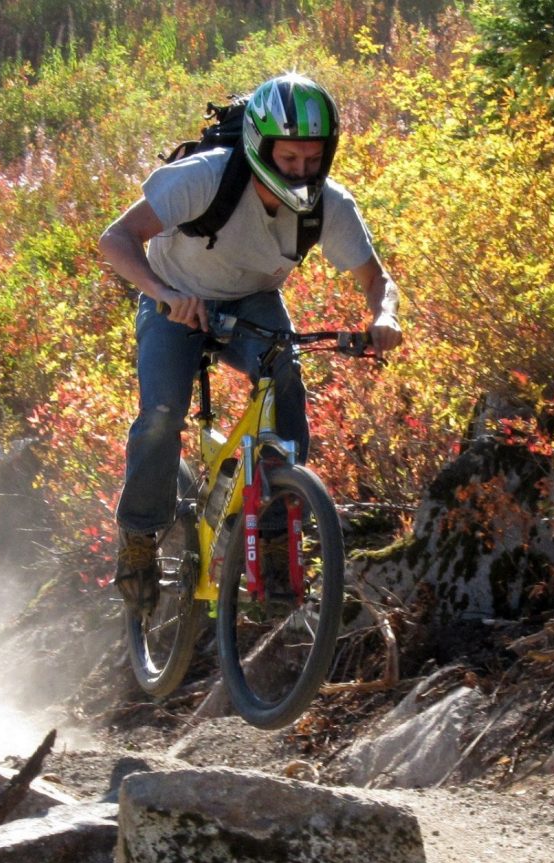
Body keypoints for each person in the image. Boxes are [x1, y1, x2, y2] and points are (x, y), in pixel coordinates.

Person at [99, 71, 403, 615]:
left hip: (252, 301)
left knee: (284, 376)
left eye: (312, 159)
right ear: (261, 146)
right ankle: (140, 537)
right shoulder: (204, 177)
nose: (302, 170)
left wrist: (384, 316)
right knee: (164, 413)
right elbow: (116, 239)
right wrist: (163, 293)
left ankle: (280, 527)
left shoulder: (329, 204)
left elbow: (376, 279)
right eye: (289, 159)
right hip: (176, 300)